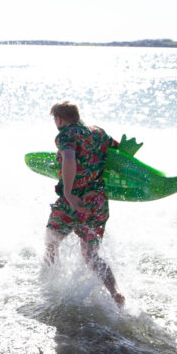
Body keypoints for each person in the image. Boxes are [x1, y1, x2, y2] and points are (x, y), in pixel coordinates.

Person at [43, 101, 125, 306]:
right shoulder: (98, 132)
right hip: (97, 201)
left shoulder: (66, 135)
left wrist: (69, 193)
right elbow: (119, 151)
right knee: (91, 254)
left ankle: (46, 288)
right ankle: (115, 292)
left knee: (51, 242)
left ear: (59, 119)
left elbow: (70, 159)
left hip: (73, 202)